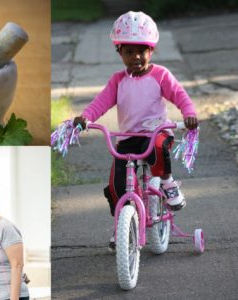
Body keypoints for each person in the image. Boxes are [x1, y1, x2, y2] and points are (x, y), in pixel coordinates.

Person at [73, 11, 199, 251]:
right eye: (129, 52)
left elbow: (180, 96)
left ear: (151, 51)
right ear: (119, 52)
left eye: (141, 51)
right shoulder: (118, 80)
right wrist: (86, 118)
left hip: (155, 132)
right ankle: (122, 225)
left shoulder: (161, 75)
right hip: (129, 138)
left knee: (159, 149)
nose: (136, 57)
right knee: (116, 186)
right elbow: (100, 102)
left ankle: (167, 182)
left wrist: (189, 114)